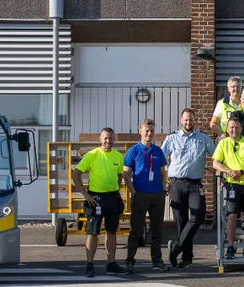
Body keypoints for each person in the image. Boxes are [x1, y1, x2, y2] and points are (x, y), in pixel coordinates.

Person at [161, 108, 216, 268]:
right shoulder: (172, 138)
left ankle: (175, 247)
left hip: (194, 184)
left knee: (198, 216)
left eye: (190, 119)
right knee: (181, 221)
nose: (188, 122)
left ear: (194, 120)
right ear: (181, 121)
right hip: (176, 183)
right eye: (185, 119)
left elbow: (217, 155)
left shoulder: (203, 138)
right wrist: (164, 179)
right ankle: (186, 257)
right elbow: (160, 159)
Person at [72, 127, 128, 278]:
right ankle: (90, 264)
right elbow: (76, 174)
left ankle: (111, 263)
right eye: (105, 138)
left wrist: (115, 192)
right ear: (100, 139)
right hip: (95, 199)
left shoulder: (118, 156)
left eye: (111, 138)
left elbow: (120, 176)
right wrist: (86, 195)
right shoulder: (92, 155)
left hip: (112, 198)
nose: (108, 141)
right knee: (93, 232)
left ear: (114, 139)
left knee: (111, 231)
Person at [122, 119, 169, 273]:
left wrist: (162, 189)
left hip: (157, 195)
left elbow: (163, 172)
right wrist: (134, 192)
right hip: (140, 194)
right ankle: (130, 260)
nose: (149, 133)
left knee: (157, 230)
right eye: (147, 130)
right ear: (140, 131)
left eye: (152, 131)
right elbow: (126, 174)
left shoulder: (158, 151)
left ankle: (157, 261)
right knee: (136, 230)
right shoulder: (133, 151)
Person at [212, 116, 244, 260]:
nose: (234, 129)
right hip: (232, 185)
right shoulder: (223, 143)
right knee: (231, 215)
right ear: (227, 129)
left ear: (241, 128)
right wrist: (228, 171)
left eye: (237, 126)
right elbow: (215, 163)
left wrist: (241, 172)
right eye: (231, 127)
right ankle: (231, 247)